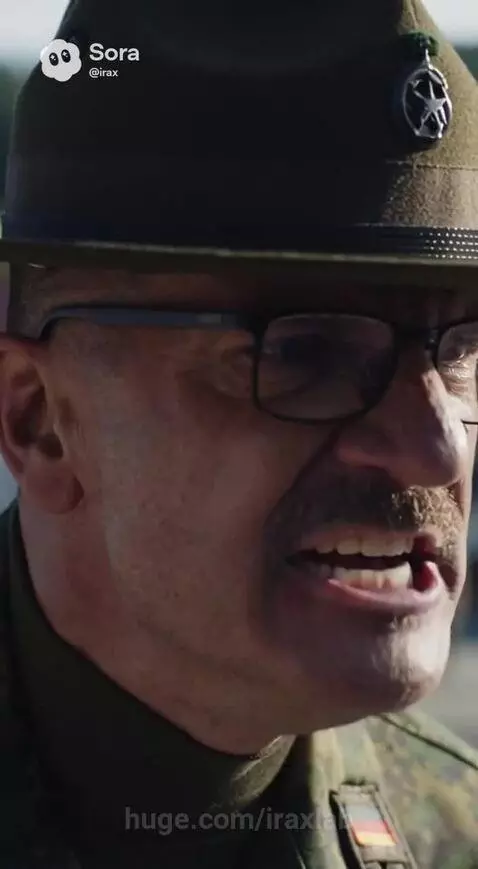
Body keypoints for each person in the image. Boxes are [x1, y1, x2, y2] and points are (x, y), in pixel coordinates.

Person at [0, 0, 477, 865]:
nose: (436, 448)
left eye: (464, 351)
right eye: (305, 351)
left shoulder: (455, 830)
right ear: (39, 422)